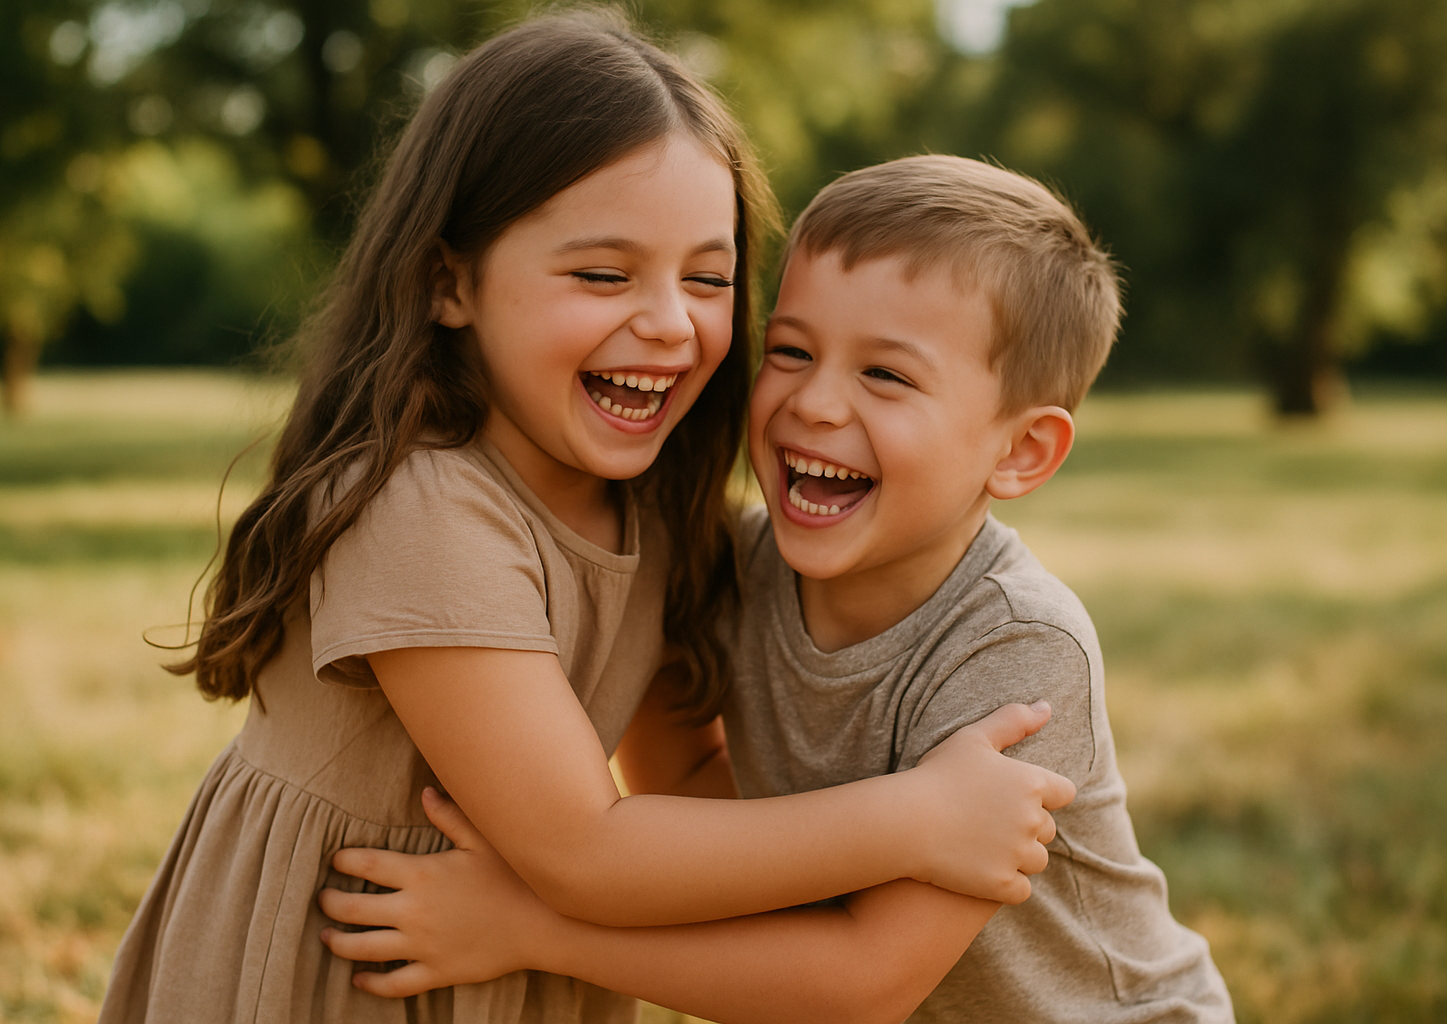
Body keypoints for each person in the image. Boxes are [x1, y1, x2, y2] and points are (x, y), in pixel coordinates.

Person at [98, 17, 1077, 1024]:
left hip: (503, 957)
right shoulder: (422, 511)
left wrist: (886, 867)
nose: (669, 321)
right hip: (345, 962)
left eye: (707, 278)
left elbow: (682, 780)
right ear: (449, 281)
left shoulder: (649, 509)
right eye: (605, 274)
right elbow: (584, 850)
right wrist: (912, 818)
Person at [318, 156, 1236, 1023]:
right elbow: (686, 784)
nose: (816, 403)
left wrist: (532, 930)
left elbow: (863, 987)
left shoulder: (1021, 653)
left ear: (1020, 451)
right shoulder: (729, 570)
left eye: (885, 373)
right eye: (792, 352)